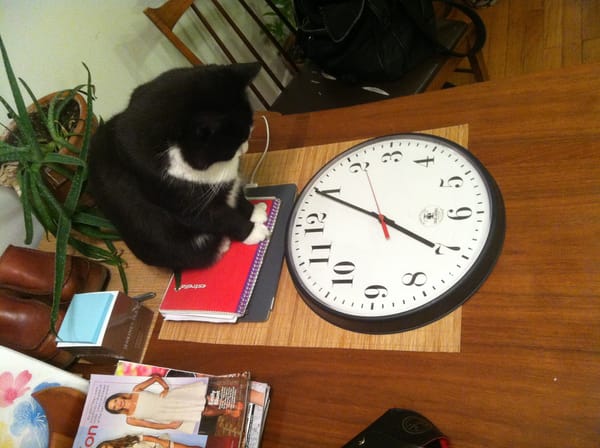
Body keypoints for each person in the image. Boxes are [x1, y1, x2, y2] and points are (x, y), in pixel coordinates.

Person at [104, 374, 214, 430]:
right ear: (117, 411)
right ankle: (226, 411)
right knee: (203, 412)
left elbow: (155, 378)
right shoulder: (130, 419)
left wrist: (165, 388)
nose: (118, 404)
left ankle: (226, 404)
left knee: (206, 398)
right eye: (114, 407)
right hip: (169, 415)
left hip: (171, 399)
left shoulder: (136, 390)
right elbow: (150, 425)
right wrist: (170, 426)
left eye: (115, 401)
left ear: (117, 397)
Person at [96, 434, 200, 448]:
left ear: (108, 443)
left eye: (105, 447)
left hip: (160, 446)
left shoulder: (126, 441)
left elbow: (144, 437)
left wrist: (160, 442)